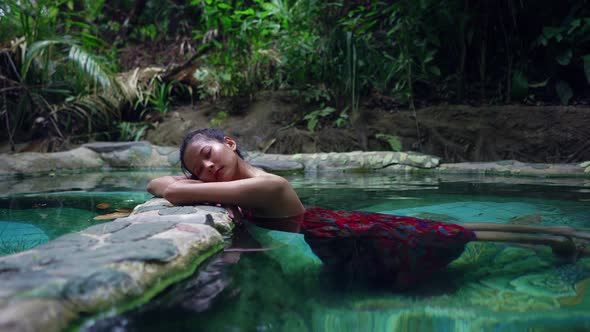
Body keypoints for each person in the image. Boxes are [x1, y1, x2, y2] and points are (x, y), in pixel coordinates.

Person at [147, 128, 590, 289]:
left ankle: (564, 236)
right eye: (197, 168)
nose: (207, 168)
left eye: (208, 154)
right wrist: (190, 180)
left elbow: (171, 192)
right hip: (341, 228)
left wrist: (188, 184)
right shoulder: (246, 178)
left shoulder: (266, 184)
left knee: (461, 233)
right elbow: (157, 181)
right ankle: (555, 237)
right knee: (458, 231)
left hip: (352, 230)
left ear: (229, 143)